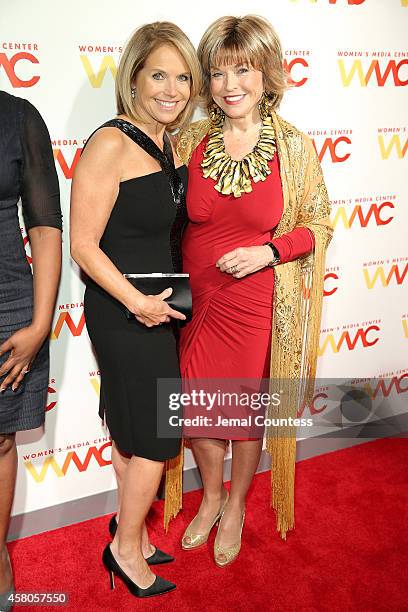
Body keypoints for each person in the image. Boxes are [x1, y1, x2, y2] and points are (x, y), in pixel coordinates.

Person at [169, 15, 333, 567]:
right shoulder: (187, 139)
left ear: (267, 73)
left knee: (240, 415)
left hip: (256, 305)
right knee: (198, 412)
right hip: (193, 302)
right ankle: (210, 496)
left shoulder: (294, 147)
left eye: (243, 69)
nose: (230, 84)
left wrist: (268, 252)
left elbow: (320, 223)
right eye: (217, 73)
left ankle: (236, 503)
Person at [70, 22, 201, 598]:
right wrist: (137, 304)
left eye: (182, 77)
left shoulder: (168, 141)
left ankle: (133, 533)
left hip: (155, 303)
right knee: (155, 433)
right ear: (133, 78)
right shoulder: (111, 143)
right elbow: (82, 243)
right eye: (158, 75)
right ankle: (125, 550)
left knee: (132, 423)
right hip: (124, 307)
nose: (171, 89)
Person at [0, 92, 62, 610]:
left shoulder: (17, 116)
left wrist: (42, 322)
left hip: (6, 305)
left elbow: (44, 226)